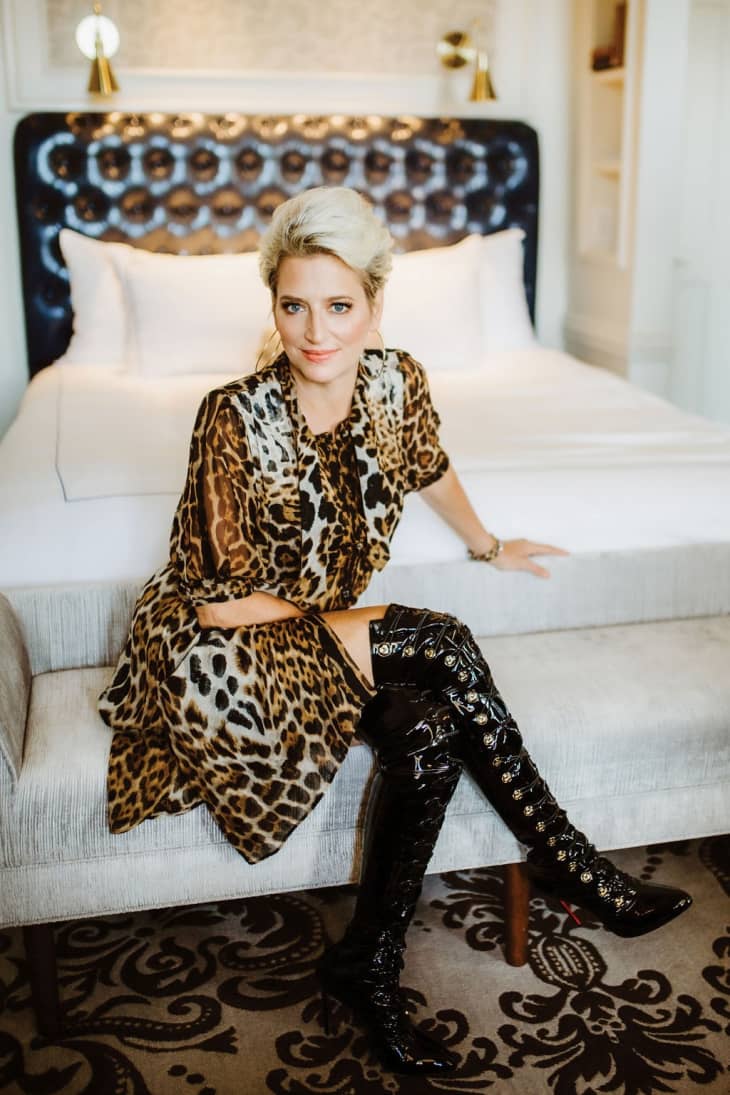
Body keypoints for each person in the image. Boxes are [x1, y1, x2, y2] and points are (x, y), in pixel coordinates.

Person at [99, 186, 692, 1077]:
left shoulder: (395, 382)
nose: (315, 331)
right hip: (221, 650)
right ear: (273, 305)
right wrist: (367, 622)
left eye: (339, 306)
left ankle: (365, 964)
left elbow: (430, 464)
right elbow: (218, 601)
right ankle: (574, 865)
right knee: (438, 634)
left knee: (428, 732)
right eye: (293, 305)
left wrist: (489, 543)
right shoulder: (231, 413)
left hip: (316, 638)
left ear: (375, 304)